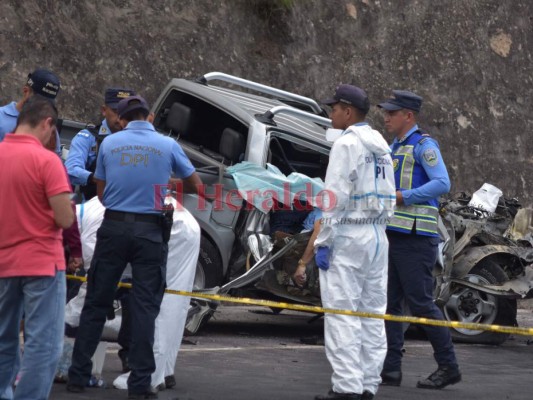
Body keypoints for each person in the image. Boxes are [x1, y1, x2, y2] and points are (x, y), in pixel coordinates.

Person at [67, 95, 201, 399]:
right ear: (150, 117)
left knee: (97, 302)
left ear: (123, 119)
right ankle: (140, 383)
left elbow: (101, 193)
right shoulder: (168, 145)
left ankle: (77, 375)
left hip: (113, 229)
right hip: (150, 232)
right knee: (144, 307)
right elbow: (196, 186)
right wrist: (163, 185)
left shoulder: (110, 144)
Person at [314, 85, 396, 400]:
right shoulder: (381, 147)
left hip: (349, 234)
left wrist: (324, 240)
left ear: (347, 111)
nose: (330, 113)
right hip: (377, 235)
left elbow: (334, 197)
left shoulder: (346, 144)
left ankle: (346, 386)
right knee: (372, 313)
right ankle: (367, 384)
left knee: (341, 312)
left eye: (333, 108)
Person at [377, 90, 462, 389]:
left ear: (408, 116)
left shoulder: (424, 146)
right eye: (386, 111)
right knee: (391, 305)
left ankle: (449, 366)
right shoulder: (393, 146)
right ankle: (391, 369)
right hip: (395, 236)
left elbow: (442, 183)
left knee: (423, 304)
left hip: (416, 238)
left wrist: (404, 197)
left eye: (392, 112)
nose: (386, 116)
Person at [0, 96, 74, 399]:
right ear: (47, 123)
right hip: (42, 264)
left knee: (4, 339)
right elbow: (65, 218)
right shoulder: (48, 161)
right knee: (42, 346)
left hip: (4, 262)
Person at [65, 87, 135, 200]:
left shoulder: (140, 141)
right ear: (104, 110)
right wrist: (97, 178)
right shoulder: (88, 137)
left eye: (127, 113)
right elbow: (71, 169)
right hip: (92, 205)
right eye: (116, 112)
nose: (121, 118)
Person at [0, 68, 62, 156]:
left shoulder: (48, 126)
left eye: (48, 103)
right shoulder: (1, 118)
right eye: (38, 100)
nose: (43, 106)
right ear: (26, 91)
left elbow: (55, 159)